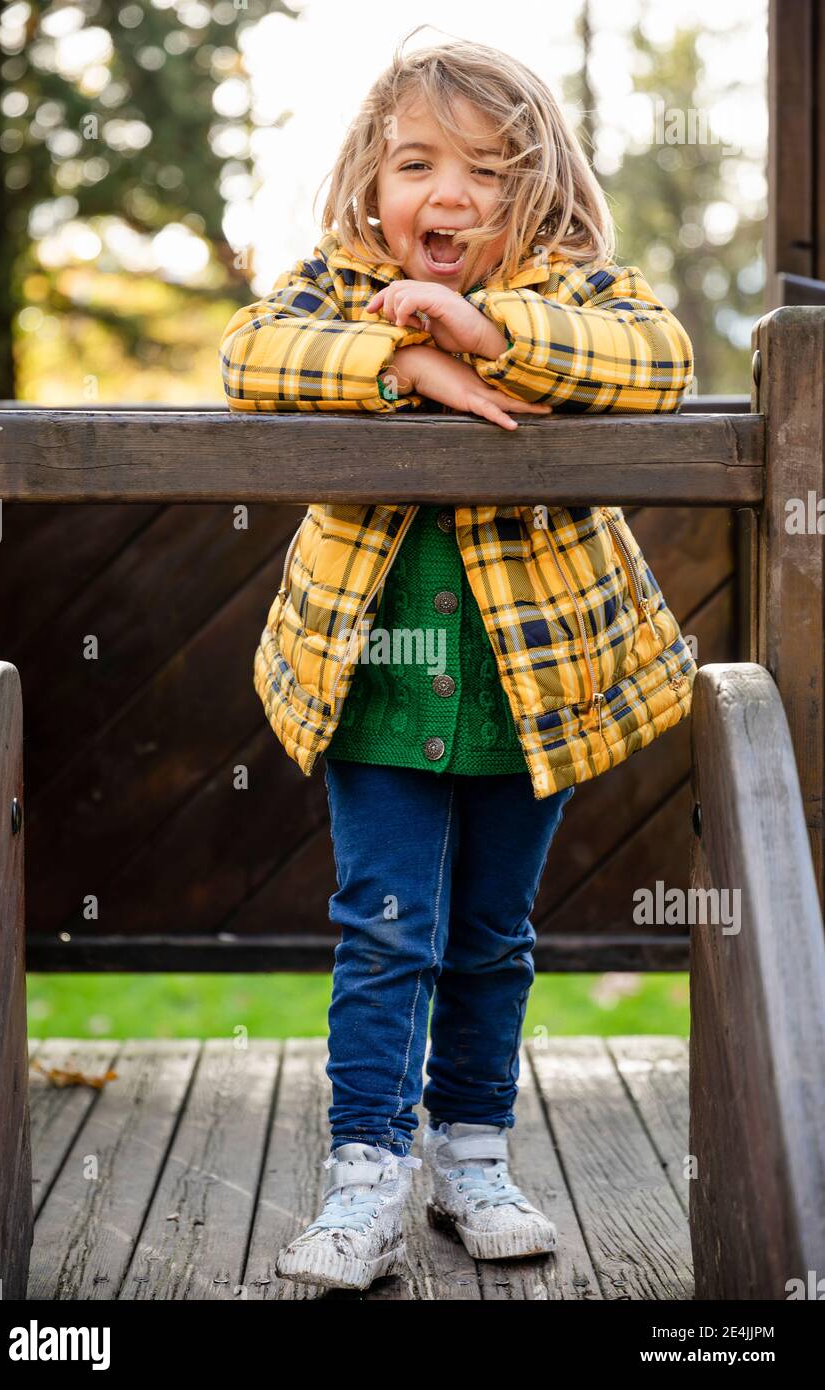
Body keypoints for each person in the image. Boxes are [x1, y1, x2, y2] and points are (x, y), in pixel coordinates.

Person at [219, 30, 696, 1292]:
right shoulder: (336, 284)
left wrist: (485, 332)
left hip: (527, 693)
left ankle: (470, 1155)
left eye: (487, 170)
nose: (449, 193)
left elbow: (662, 360)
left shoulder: (576, 291)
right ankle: (365, 1169)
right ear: (371, 185)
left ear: (532, 193)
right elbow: (245, 354)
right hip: (374, 685)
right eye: (418, 163)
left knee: (491, 933)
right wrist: (401, 358)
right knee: (384, 931)